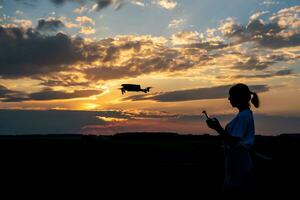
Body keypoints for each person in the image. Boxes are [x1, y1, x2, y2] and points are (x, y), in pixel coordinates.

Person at [206, 83, 259, 199]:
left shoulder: (243, 117)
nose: (229, 98)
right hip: (238, 165)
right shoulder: (245, 115)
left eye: (231, 95)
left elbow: (233, 140)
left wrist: (217, 128)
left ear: (240, 97)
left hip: (238, 167)